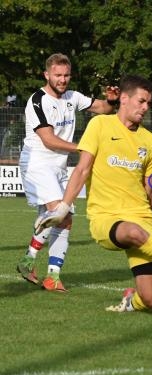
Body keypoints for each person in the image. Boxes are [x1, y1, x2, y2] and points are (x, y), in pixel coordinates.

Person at [34, 75, 152, 312]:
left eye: (148, 104)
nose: (145, 108)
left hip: (141, 217)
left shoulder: (151, 141)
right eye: (141, 101)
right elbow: (82, 169)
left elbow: (150, 187)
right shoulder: (99, 125)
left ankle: (130, 303)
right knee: (134, 232)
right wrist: (63, 208)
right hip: (106, 218)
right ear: (124, 98)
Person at [17, 53, 120, 291]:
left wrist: (112, 100)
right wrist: (85, 148)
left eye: (66, 75)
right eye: (58, 75)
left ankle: (47, 272)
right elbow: (49, 140)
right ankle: (35, 264)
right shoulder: (36, 101)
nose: (63, 80)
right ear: (47, 75)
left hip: (60, 166)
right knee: (58, 213)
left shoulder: (73, 97)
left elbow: (102, 108)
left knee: (65, 220)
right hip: (38, 164)